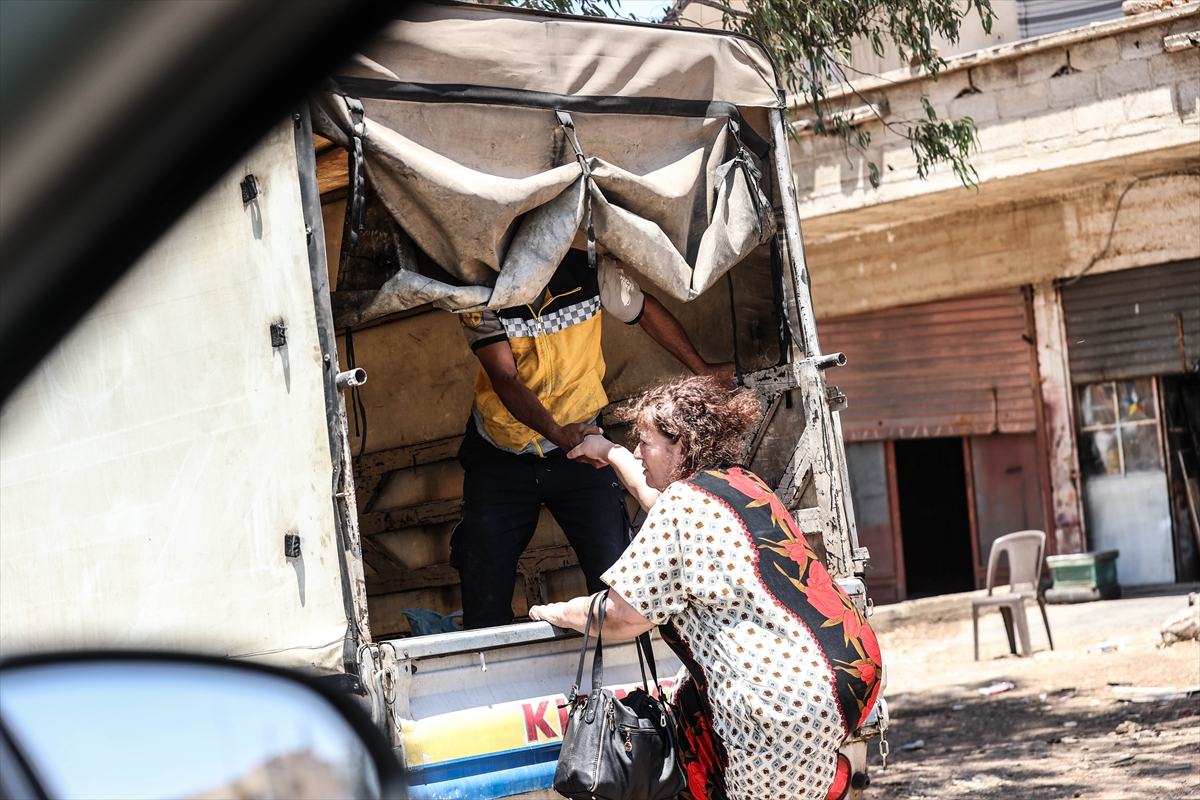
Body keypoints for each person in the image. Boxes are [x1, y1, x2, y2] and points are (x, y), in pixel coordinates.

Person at [530, 376, 883, 800]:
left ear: (681, 444)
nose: (638, 452)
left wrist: (560, 611)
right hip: (848, 667)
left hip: (777, 699)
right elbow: (655, 499)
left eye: (644, 442)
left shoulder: (682, 503)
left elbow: (622, 616)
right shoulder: (737, 483)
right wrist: (610, 453)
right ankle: (829, 781)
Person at [454, 249, 734, 629]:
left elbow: (644, 309)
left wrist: (703, 371)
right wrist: (557, 434)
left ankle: (630, 685)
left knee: (619, 573)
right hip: (501, 453)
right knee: (484, 589)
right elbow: (506, 378)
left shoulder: (590, 269)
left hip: (584, 446)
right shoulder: (477, 289)